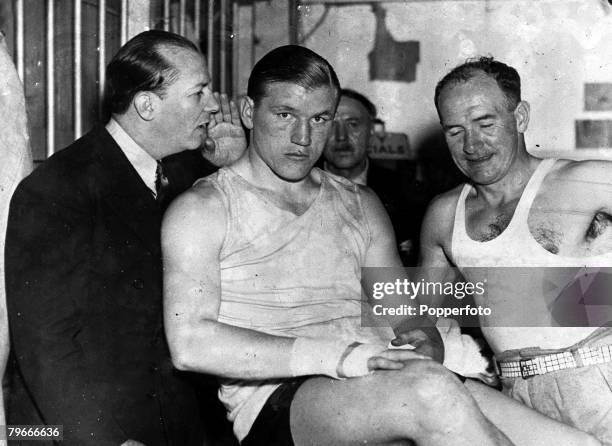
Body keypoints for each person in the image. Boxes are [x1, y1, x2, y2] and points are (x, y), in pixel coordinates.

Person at [162, 44, 604, 446]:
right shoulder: (203, 208)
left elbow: (407, 315)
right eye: (284, 115)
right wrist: (342, 356)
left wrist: (420, 337)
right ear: (247, 111)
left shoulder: (360, 203)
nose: (303, 138)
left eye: (319, 119)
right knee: (433, 395)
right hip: (280, 397)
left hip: (381, 375)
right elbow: (190, 344)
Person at [5, 30, 244, 445]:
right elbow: (46, 345)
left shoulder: (189, 173)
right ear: (147, 105)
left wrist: (234, 167)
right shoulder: (57, 189)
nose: (213, 106)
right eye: (198, 92)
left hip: (175, 422)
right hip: (75, 430)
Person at [418, 56, 612, 444]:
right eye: (455, 131)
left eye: (485, 124)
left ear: (520, 117)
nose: (472, 145)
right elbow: (418, 313)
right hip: (515, 399)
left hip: (599, 380)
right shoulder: (443, 215)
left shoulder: (586, 180)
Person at [321, 89, 416, 264]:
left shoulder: (406, 192)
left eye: (353, 124)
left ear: (371, 130)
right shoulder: (296, 185)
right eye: (331, 124)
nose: (341, 136)